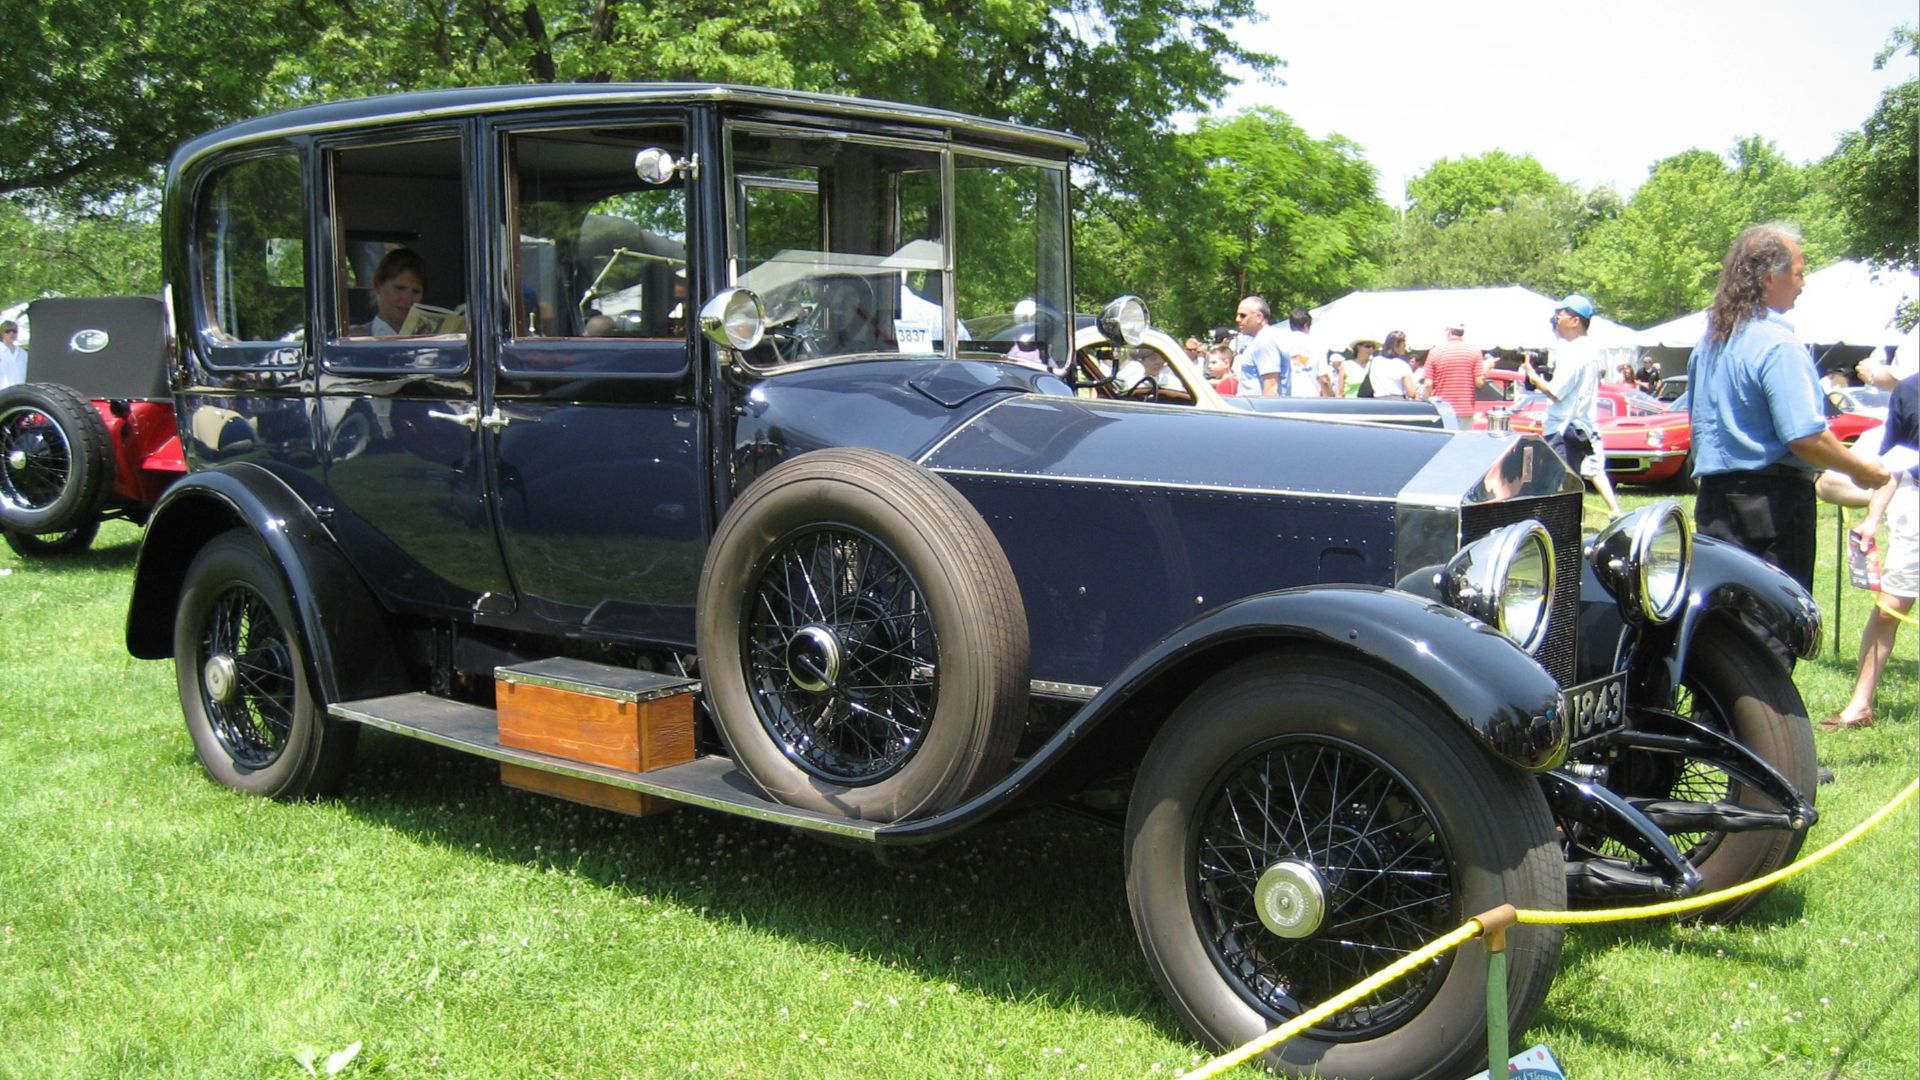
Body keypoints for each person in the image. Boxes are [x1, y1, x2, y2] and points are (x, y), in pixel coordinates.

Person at [1688, 223, 1889, 658]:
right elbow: (1805, 438)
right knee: (1770, 638)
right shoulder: (1777, 343)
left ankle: (1717, 722)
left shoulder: (1710, 343)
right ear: (1768, 277)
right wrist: (1863, 470)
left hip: (1716, 500)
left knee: (1722, 636)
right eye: (1799, 272)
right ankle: (1762, 728)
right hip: (1771, 505)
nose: (1803, 283)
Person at [1822, 371, 1918, 730]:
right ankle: (1859, 706)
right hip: (1915, 511)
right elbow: (1893, 465)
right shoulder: (1910, 390)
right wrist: (1871, 520)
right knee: (1888, 612)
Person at [1521, 294, 1621, 517]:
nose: (1556, 319)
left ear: (1575, 321)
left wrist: (1532, 375)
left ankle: (1564, 530)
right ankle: (1576, 521)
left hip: (1563, 428)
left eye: (1560, 315)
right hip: (1579, 425)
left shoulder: (1574, 351)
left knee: (1560, 485)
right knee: (1572, 482)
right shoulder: (1591, 349)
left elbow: (1555, 392)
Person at [361, 248, 428, 336]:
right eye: (399, 288)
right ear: (377, 286)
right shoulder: (351, 338)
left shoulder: (431, 338)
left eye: (416, 291)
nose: (408, 300)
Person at [1423, 322, 1485, 417]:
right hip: (1465, 409)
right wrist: (1487, 369)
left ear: (1449, 332)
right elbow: (1479, 383)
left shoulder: (1435, 351)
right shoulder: (1474, 351)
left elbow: (1428, 384)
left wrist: (1425, 403)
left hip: (1442, 410)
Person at [1230, 296, 1287, 396]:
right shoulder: (1267, 338)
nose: (1237, 319)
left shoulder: (1264, 341)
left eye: (1243, 315)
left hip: (1255, 408)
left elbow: (1272, 386)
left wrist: (1266, 410)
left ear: (1259, 317)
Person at [1276, 308, 1332, 397]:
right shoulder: (1317, 344)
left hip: (1285, 398)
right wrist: (1330, 400)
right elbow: (1324, 380)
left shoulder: (1279, 344)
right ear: (1306, 325)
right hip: (1310, 399)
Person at [1112, 344, 1181, 394]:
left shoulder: (1173, 382)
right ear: (1141, 360)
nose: (1159, 362)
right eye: (1153, 358)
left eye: (1162, 359)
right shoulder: (1130, 378)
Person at [1367, 331, 1418, 399]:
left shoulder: (1375, 361)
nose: (1405, 346)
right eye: (1404, 342)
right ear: (1396, 344)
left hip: (1378, 401)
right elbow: (1411, 393)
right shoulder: (1402, 365)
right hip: (1398, 402)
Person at [0, 320, 25, 389]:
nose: (11, 334)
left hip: (20, 394)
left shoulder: (23, 354)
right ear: (2, 333)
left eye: (14, 331)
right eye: (7, 331)